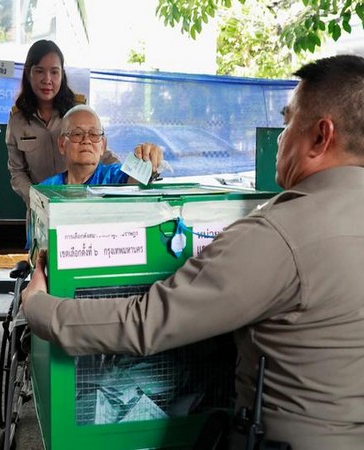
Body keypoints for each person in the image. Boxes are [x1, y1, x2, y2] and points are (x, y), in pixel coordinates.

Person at [21, 54, 364, 449]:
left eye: (287, 123)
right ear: (62, 144)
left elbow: (145, 323)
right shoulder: (49, 187)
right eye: (77, 136)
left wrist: (38, 304)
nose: (281, 137)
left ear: (321, 136)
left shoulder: (279, 234)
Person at [6, 40, 118, 209]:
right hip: (41, 210)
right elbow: (17, 171)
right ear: (29, 73)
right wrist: (37, 199)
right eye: (40, 71)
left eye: (54, 72)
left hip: (81, 205)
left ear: (62, 75)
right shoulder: (17, 120)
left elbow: (102, 154)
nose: (47, 80)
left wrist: (135, 172)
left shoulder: (77, 112)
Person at [40, 104, 162, 186]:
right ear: (62, 145)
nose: (86, 140)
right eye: (77, 134)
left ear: (103, 145)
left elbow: (134, 182)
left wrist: (148, 161)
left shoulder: (113, 177)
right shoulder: (47, 189)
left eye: (94, 134)